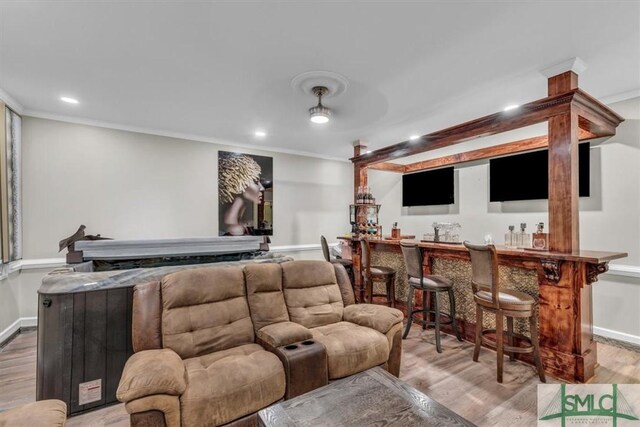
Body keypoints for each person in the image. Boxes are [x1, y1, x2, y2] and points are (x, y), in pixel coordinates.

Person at [218, 153, 265, 236]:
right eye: (256, 181)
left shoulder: (246, 225)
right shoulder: (232, 227)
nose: (262, 188)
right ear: (237, 183)